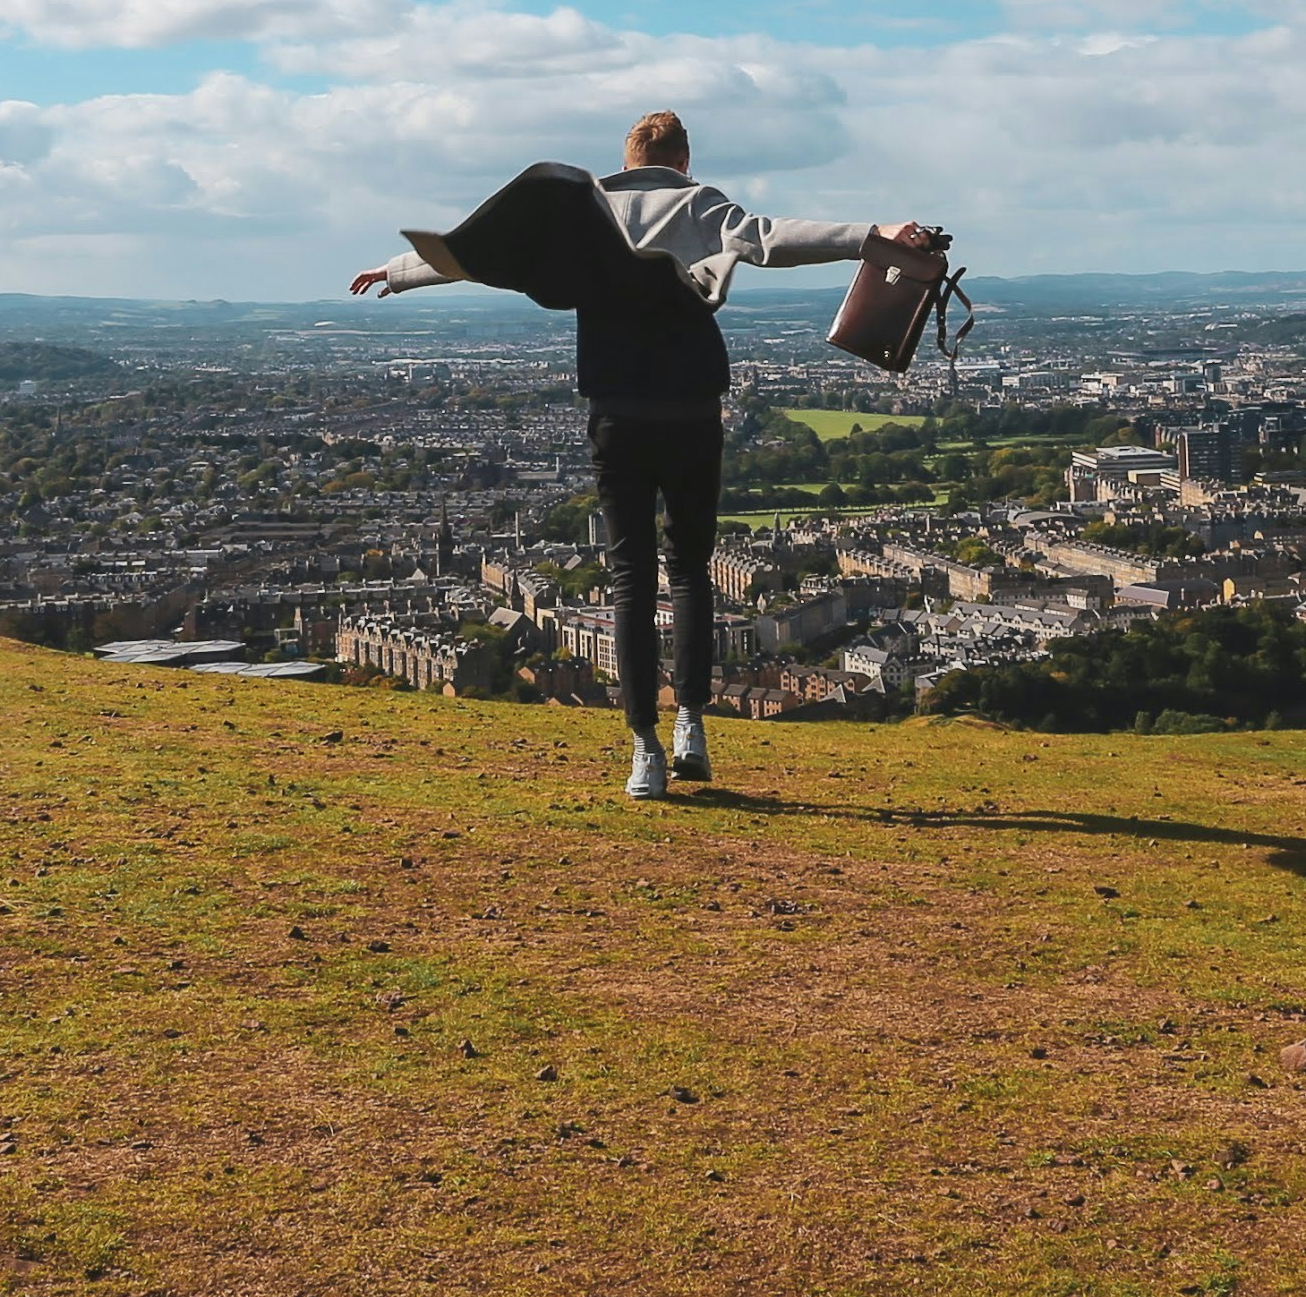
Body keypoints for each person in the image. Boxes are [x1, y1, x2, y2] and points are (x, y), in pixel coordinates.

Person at [353, 113, 943, 800]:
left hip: (617, 411)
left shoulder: (590, 210)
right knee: (691, 570)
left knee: (631, 580)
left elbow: (491, 256)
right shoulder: (700, 204)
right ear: (683, 162)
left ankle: (644, 752)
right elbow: (773, 239)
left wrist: (400, 271)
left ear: (627, 158)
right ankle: (691, 721)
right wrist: (876, 239)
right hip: (692, 406)